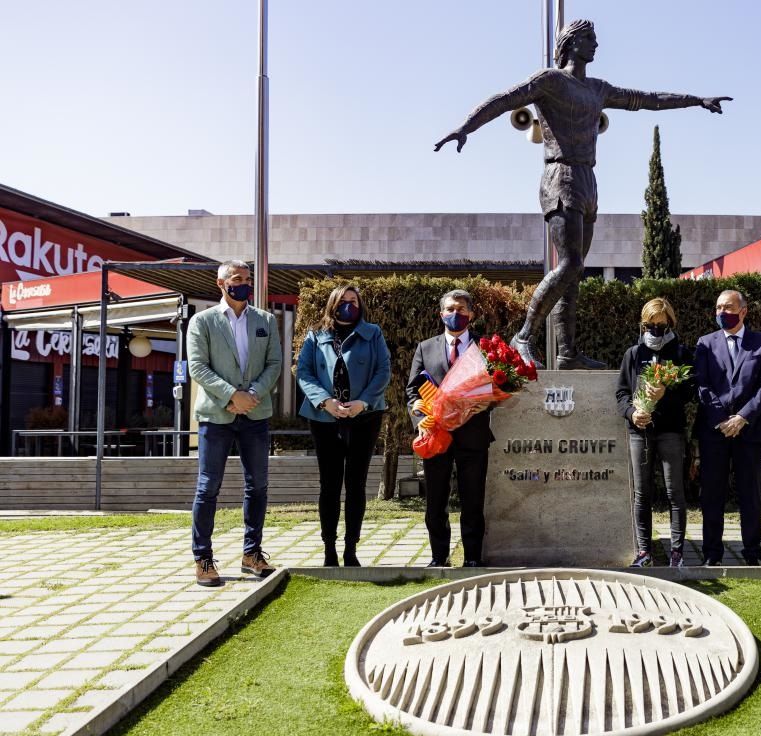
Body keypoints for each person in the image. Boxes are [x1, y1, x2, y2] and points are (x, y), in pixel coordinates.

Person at [435, 19, 730, 370]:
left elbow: (648, 100)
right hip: (560, 175)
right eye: (589, 38)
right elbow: (503, 100)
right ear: (571, 43)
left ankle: (567, 352)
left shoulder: (598, 88)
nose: (596, 44)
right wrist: (466, 127)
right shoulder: (549, 81)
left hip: (587, 179)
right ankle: (525, 335)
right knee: (571, 262)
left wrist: (697, 100)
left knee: (574, 271)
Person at [187, 260, 282, 587]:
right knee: (207, 487)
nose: (243, 283)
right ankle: (203, 559)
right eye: (236, 278)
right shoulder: (202, 321)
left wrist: (252, 392)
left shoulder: (265, 320)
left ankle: (251, 554)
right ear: (221, 283)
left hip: (255, 414)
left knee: (258, 485)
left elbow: (274, 363)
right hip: (217, 415)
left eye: (247, 279)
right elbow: (197, 367)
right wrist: (231, 395)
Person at [296, 285, 392, 567]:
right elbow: (304, 371)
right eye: (343, 301)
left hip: (364, 417)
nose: (349, 305)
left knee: (356, 484)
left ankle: (351, 548)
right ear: (333, 304)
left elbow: (383, 370)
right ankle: (329, 549)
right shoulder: (316, 335)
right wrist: (324, 401)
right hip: (325, 418)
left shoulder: (372, 333)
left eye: (354, 301)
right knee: (329, 484)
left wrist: (364, 402)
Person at [406, 289, 493, 567]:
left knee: (473, 500)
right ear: (441, 313)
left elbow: (499, 385)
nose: (456, 314)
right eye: (450, 309)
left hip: (473, 435)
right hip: (436, 435)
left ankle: (472, 558)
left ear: (472, 314)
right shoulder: (425, 347)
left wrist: (487, 404)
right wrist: (421, 423)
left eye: (462, 309)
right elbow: (412, 392)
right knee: (435, 501)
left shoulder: (486, 347)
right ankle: (438, 557)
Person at [694, 289, 761, 566]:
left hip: (748, 432)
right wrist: (720, 419)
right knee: (712, 495)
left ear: (743, 311)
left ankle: (752, 553)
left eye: (727, 307)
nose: (721, 313)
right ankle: (711, 554)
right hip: (713, 432)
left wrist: (742, 417)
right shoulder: (705, 343)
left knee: (750, 494)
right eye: (717, 307)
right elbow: (701, 385)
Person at [615, 298, 694, 568]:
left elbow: (689, 392)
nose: (655, 329)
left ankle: (677, 552)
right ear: (643, 324)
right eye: (650, 324)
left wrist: (666, 391)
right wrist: (632, 413)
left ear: (670, 322)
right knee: (642, 494)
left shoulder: (681, 353)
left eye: (661, 324)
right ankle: (644, 552)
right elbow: (622, 393)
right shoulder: (633, 354)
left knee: (675, 492)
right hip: (640, 432)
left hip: (670, 431)